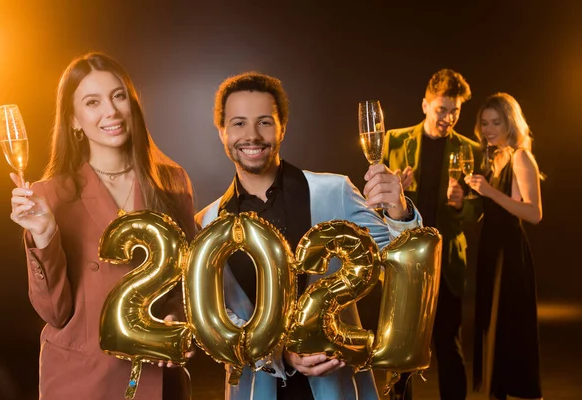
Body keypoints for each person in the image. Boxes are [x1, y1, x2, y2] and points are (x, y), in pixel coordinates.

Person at [195, 72, 423, 400]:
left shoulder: (336, 191)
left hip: (339, 387)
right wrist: (281, 354)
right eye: (239, 123)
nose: (252, 136)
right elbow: (221, 318)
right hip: (257, 389)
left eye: (264, 122)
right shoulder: (208, 221)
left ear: (282, 127)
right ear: (222, 132)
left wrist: (399, 212)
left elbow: (403, 261)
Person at [8, 52, 195, 400]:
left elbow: (186, 280)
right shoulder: (50, 195)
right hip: (83, 380)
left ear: (132, 104)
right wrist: (45, 236)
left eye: (118, 96)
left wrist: (176, 322)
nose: (110, 110)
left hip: (157, 377)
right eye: (92, 102)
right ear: (74, 120)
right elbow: (54, 312)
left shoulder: (172, 181)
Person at [382, 69, 482, 400]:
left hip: (447, 262)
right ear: (425, 105)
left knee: (448, 345)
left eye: (455, 111)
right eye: (442, 110)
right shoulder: (394, 141)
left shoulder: (470, 149)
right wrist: (394, 195)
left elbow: (476, 211)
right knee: (402, 346)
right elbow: (373, 200)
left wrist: (459, 205)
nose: (448, 118)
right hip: (405, 259)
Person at [465, 93, 542, 400]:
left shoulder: (521, 157)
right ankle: (496, 392)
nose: (489, 129)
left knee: (511, 328)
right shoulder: (491, 157)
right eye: (484, 123)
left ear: (510, 122)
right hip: (490, 249)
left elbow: (534, 213)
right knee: (490, 328)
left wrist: (489, 192)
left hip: (510, 253)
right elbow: (493, 209)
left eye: (496, 122)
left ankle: (523, 392)